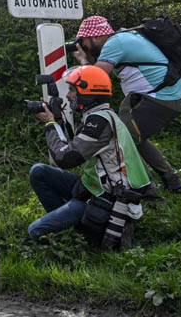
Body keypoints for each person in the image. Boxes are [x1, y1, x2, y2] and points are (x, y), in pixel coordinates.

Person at [28, 65, 152, 246]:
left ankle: (81, 234)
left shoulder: (99, 122)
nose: (69, 95)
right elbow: (73, 146)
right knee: (38, 172)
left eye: (72, 90)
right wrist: (58, 120)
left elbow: (66, 158)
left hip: (105, 198)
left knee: (35, 231)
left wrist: (50, 124)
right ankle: (67, 222)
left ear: (87, 93)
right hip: (92, 186)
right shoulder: (99, 115)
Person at [72, 15, 181, 193]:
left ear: (95, 37)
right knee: (135, 138)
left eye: (83, 41)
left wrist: (82, 59)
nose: (83, 45)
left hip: (164, 97)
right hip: (167, 95)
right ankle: (172, 181)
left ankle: (148, 191)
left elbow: (96, 79)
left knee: (122, 140)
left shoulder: (114, 43)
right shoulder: (123, 37)